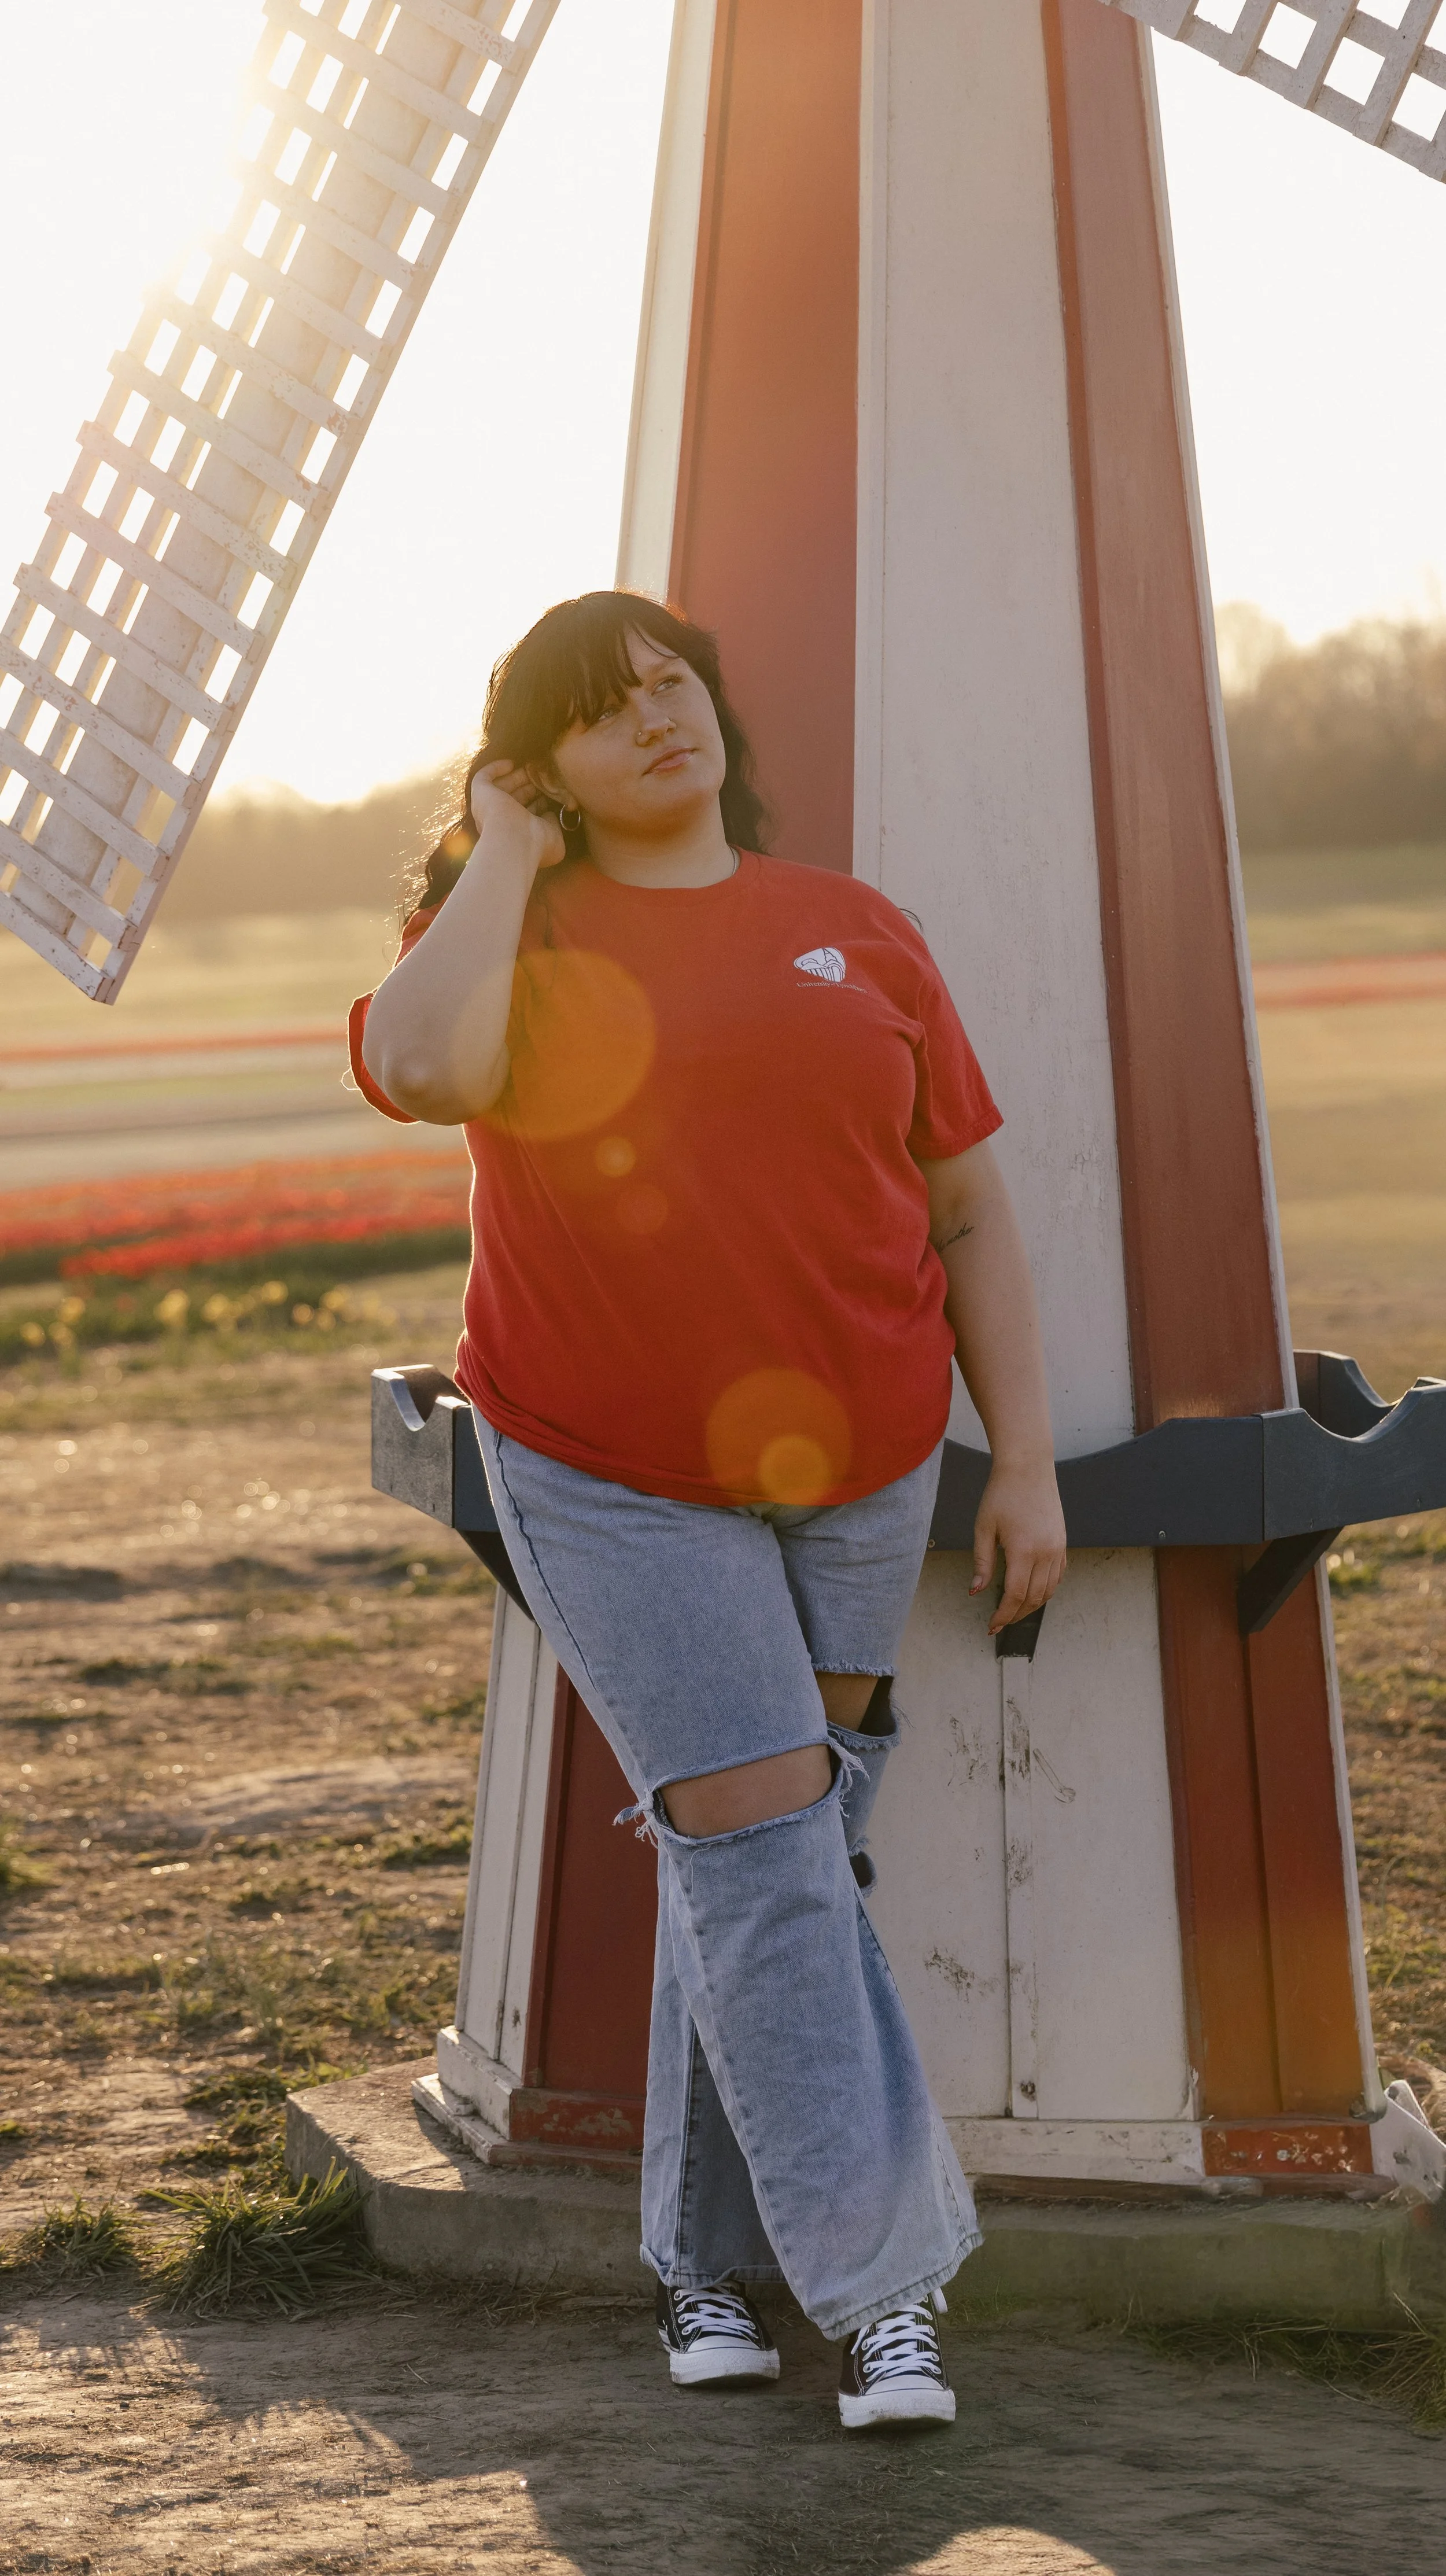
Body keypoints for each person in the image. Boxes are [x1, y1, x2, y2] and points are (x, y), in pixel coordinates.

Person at [353, 590, 1067, 2430]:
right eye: (601, 711)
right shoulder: (513, 927)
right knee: (766, 1851)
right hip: (604, 1465)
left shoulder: (858, 929)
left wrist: (1032, 1460)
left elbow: (969, 1208)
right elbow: (423, 1070)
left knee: (773, 1875)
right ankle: (889, 2286)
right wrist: (504, 854)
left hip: (864, 1464)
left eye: (671, 682)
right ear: (546, 769)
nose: (656, 717)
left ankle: (701, 2261)